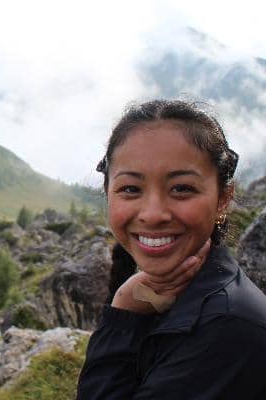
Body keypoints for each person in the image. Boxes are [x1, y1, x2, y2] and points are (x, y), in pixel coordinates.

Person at [76, 99, 266, 399]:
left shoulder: (227, 328)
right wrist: (127, 308)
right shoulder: (185, 300)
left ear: (223, 198)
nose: (153, 214)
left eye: (181, 188)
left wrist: (122, 315)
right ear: (108, 193)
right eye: (131, 189)